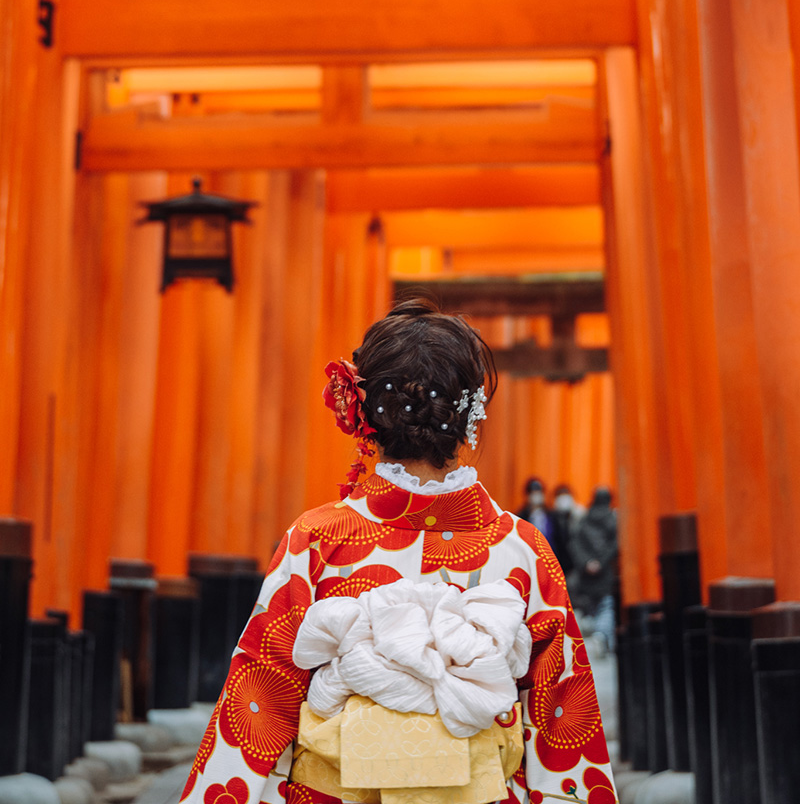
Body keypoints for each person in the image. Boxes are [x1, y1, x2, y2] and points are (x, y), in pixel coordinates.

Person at [180, 300, 618, 804]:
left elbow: (259, 697)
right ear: (471, 411)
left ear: (362, 410)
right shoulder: (520, 548)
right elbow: (561, 716)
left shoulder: (318, 538)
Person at [569, 486, 619, 655]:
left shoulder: (584, 519)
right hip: (605, 573)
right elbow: (613, 546)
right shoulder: (612, 520)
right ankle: (601, 634)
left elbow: (575, 544)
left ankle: (595, 630)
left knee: (593, 606)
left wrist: (586, 562)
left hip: (586, 575)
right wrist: (600, 562)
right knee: (607, 605)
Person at [516, 476, 553, 544]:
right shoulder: (520, 517)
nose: (536, 496)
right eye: (533, 493)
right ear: (527, 496)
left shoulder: (551, 515)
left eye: (539, 492)